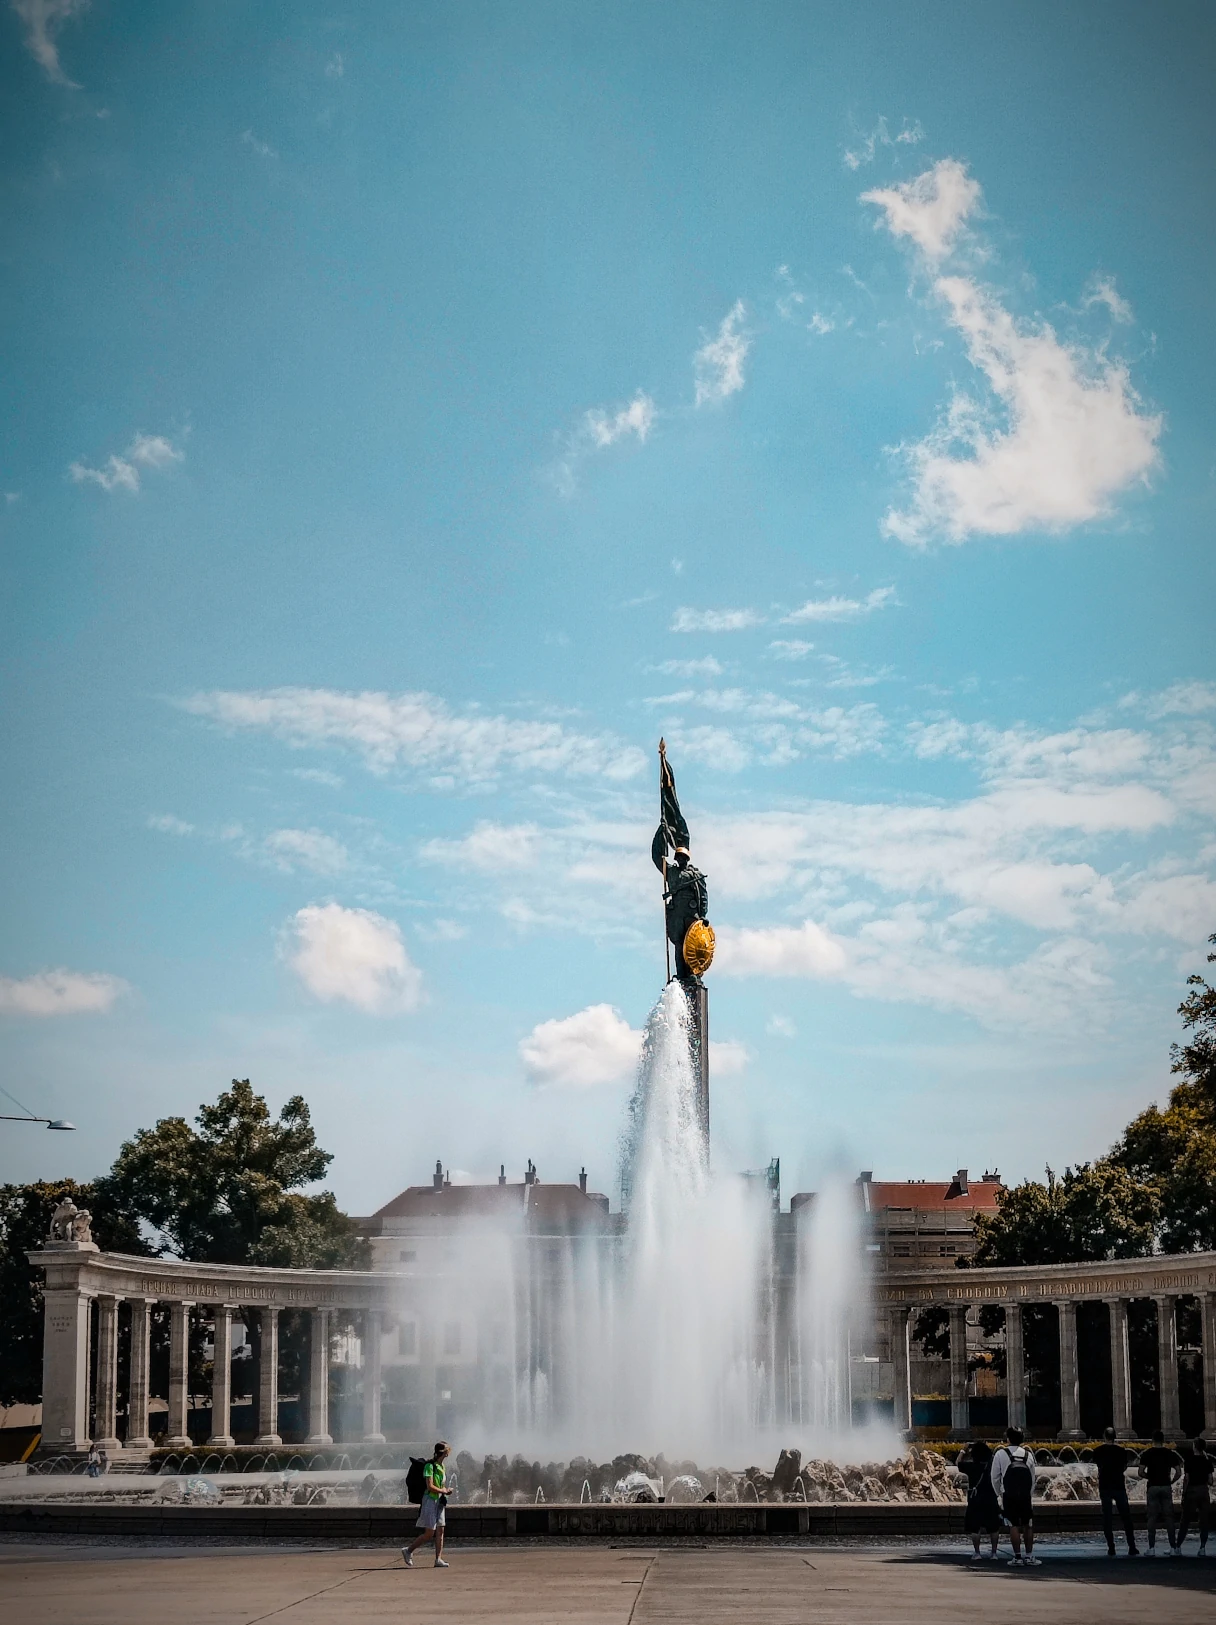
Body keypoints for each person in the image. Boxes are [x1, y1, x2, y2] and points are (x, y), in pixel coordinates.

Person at [991, 1426, 1040, 1566]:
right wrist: (1029, 1494)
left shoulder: (1000, 1454)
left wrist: (999, 1493)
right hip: (1025, 1495)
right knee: (1028, 1524)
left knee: (1013, 1525)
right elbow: (1032, 1478)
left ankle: (1017, 1557)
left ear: (1008, 1438)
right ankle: (1029, 1556)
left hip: (1009, 1494)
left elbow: (995, 1477)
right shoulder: (1028, 1455)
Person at [403, 1442, 452, 1569]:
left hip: (440, 1501)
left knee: (441, 1530)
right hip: (430, 1500)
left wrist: (445, 1490)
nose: (449, 1452)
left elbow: (439, 1484)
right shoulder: (429, 1466)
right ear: (443, 1452)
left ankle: (438, 1559)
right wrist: (444, 1491)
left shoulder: (441, 1466)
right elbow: (430, 1486)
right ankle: (408, 1550)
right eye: (448, 1450)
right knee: (429, 1533)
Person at [1092, 1425, 1139, 1557]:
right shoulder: (1121, 1451)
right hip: (1119, 1485)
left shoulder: (1098, 1451)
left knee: (1107, 1518)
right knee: (1126, 1517)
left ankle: (1111, 1547)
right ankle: (1132, 1546)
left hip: (1105, 1486)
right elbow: (1124, 1467)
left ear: (1104, 1437)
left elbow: (1098, 1466)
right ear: (1115, 1437)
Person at [1138, 1429, 1183, 1555]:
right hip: (1165, 1486)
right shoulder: (1170, 1453)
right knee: (1169, 1517)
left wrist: (1150, 1477)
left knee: (1152, 1517)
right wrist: (1171, 1481)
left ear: (1153, 1440)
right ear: (1163, 1440)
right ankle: (1173, 1547)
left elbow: (1140, 1472)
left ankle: (1151, 1548)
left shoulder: (1147, 1453)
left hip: (1153, 1486)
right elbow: (1179, 1472)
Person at [959, 1439, 1001, 1559]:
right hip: (991, 1498)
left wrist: (964, 1449)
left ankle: (977, 1553)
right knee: (994, 1527)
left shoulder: (971, 1466)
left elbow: (958, 1462)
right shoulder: (992, 1466)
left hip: (975, 1499)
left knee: (975, 1527)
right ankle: (994, 1553)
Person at [1177, 1436, 1212, 1557]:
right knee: (1204, 1521)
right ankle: (1202, 1548)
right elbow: (1211, 1481)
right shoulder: (1207, 1461)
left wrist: (1183, 1494)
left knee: (1185, 1520)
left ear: (1194, 1447)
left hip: (1192, 1490)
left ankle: (1178, 1547)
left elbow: (1187, 1478)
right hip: (1203, 1490)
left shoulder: (1189, 1460)